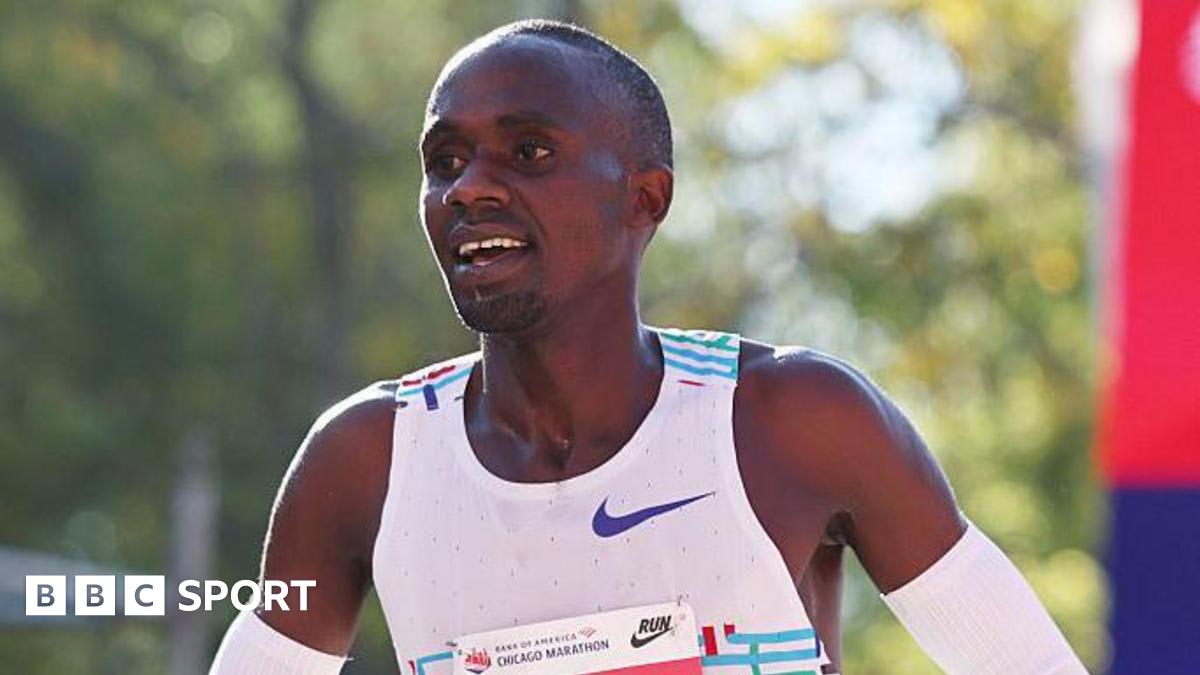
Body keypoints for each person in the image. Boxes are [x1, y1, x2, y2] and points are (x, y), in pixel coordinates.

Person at [210, 19, 1087, 675]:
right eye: (445, 160)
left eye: (527, 150)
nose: (470, 187)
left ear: (645, 198)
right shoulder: (367, 460)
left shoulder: (793, 420)